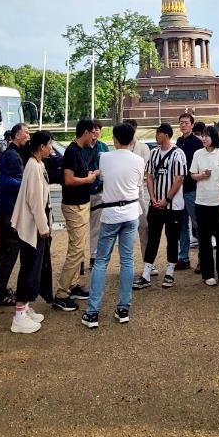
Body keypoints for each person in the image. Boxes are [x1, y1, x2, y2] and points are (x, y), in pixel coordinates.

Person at [81, 123, 144, 328]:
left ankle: (92, 312)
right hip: (131, 211)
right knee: (127, 260)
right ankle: (123, 308)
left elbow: (105, 177)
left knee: (101, 261)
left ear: (115, 139)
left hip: (110, 212)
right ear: (132, 139)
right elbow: (137, 183)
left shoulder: (105, 158)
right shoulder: (139, 160)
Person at [9, 130, 55, 334]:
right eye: (49, 145)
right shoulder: (33, 167)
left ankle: (25, 308)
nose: (51, 148)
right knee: (29, 268)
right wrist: (44, 228)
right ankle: (19, 315)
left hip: (36, 224)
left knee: (34, 267)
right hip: (32, 227)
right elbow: (36, 202)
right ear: (41, 147)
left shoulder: (38, 164)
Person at [133, 123, 188, 290]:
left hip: (173, 206)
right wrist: (153, 197)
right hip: (155, 204)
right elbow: (149, 176)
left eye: (158, 133)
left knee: (172, 238)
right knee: (152, 238)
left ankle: (170, 271)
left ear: (166, 135)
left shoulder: (178, 154)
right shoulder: (154, 153)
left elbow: (179, 179)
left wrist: (166, 199)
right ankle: (146, 273)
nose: (156, 136)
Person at [53, 119, 99, 311]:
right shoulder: (72, 151)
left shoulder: (78, 150)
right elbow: (69, 180)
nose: (95, 136)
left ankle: (73, 285)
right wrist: (88, 178)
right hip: (74, 205)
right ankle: (61, 293)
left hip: (81, 203)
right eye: (93, 133)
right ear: (86, 132)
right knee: (76, 251)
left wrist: (88, 175)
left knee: (77, 248)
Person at [0, 123, 29, 306]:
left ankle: (1, 288)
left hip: (6, 207)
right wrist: (26, 183)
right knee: (10, 249)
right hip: (8, 208)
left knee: (5, 248)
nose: (28, 136)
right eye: (26, 133)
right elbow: (7, 182)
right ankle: (0, 292)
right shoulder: (12, 155)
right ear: (17, 135)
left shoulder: (13, 154)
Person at [189, 125, 219, 285]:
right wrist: (201, 175)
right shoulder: (198, 154)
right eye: (203, 136)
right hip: (202, 201)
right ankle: (207, 274)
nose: (204, 138)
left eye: (207, 136)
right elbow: (192, 175)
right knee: (204, 240)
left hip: (218, 203)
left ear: (214, 137)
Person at [123, 118, 153, 262]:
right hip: (123, 193)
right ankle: (126, 263)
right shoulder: (121, 147)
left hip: (138, 192)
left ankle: (148, 262)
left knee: (144, 227)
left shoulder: (143, 148)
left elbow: (145, 170)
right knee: (124, 230)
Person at [176, 112, 202, 271]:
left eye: (186, 122)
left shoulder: (198, 143)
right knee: (181, 225)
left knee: (198, 224)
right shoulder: (179, 142)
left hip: (192, 189)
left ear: (192, 125)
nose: (183, 125)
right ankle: (183, 257)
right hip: (180, 189)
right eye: (181, 122)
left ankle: (202, 257)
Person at [86, 121, 109, 270]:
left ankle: (93, 255)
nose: (96, 132)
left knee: (96, 226)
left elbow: (107, 167)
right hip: (83, 191)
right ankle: (79, 258)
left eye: (98, 129)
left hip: (98, 191)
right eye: (93, 129)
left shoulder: (103, 147)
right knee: (80, 228)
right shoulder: (81, 146)